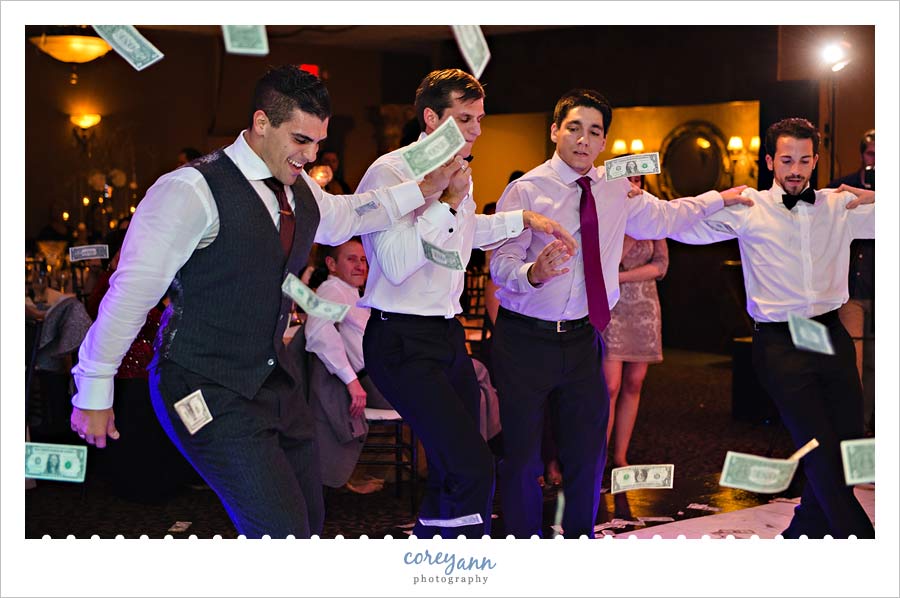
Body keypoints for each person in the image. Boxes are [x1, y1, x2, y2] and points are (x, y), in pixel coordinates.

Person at [69, 65, 460, 539]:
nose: (311, 155)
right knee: (281, 530)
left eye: (318, 142)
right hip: (201, 385)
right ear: (261, 123)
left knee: (309, 522)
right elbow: (130, 294)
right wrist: (94, 388)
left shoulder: (300, 188)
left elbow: (346, 215)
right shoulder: (189, 190)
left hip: (274, 385)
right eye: (300, 140)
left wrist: (425, 189)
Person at [490, 88, 751, 539]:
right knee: (522, 456)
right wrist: (533, 272)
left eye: (594, 132)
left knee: (587, 452)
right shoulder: (526, 189)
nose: (583, 140)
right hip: (525, 340)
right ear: (554, 131)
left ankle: (581, 539)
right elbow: (500, 263)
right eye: (574, 128)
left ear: (604, 141)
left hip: (582, 338)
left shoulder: (615, 187)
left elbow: (666, 217)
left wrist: (720, 198)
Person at [355, 68, 577, 539]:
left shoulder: (458, 172)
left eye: (479, 119)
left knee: (450, 469)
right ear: (431, 118)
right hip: (399, 338)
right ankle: (463, 561)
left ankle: (430, 557)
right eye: (464, 119)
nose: (476, 131)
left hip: (446, 334)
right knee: (472, 466)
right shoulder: (389, 172)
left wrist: (523, 219)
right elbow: (395, 263)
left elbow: (463, 236)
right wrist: (448, 204)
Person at [672, 117, 875, 539]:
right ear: (769, 162)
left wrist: (876, 196)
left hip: (829, 334)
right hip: (780, 341)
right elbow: (678, 226)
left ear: (815, 160)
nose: (796, 169)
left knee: (847, 445)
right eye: (786, 160)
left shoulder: (839, 206)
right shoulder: (749, 207)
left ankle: (803, 531)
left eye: (804, 160)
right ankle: (861, 544)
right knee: (819, 449)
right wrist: (713, 198)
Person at [305, 238, 392, 494]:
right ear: (331, 264)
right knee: (465, 383)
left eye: (363, 260)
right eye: (352, 259)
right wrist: (351, 381)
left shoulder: (351, 293)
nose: (361, 266)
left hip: (383, 377)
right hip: (375, 382)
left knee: (469, 377)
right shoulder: (333, 290)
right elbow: (318, 332)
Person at [602, 173, 669, 469]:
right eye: (627, 180)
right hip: (613, 306)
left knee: (634, 382)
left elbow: (661, 265)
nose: (633, 185)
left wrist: (623, 277)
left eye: (638, 180)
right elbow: (604, 263)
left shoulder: (653, 216)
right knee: (610, 385)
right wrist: (630, 232)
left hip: (645, 306)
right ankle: (598, 456)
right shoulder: (606, 216)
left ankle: (620, 455)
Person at [829, 129, 875, 434]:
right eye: (871, 153)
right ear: (862, 154)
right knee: (852, 361)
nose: (876, 160)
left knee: (877, 363)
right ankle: (853, 428)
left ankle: (871, 426)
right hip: (852, 288)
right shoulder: (842, 187)